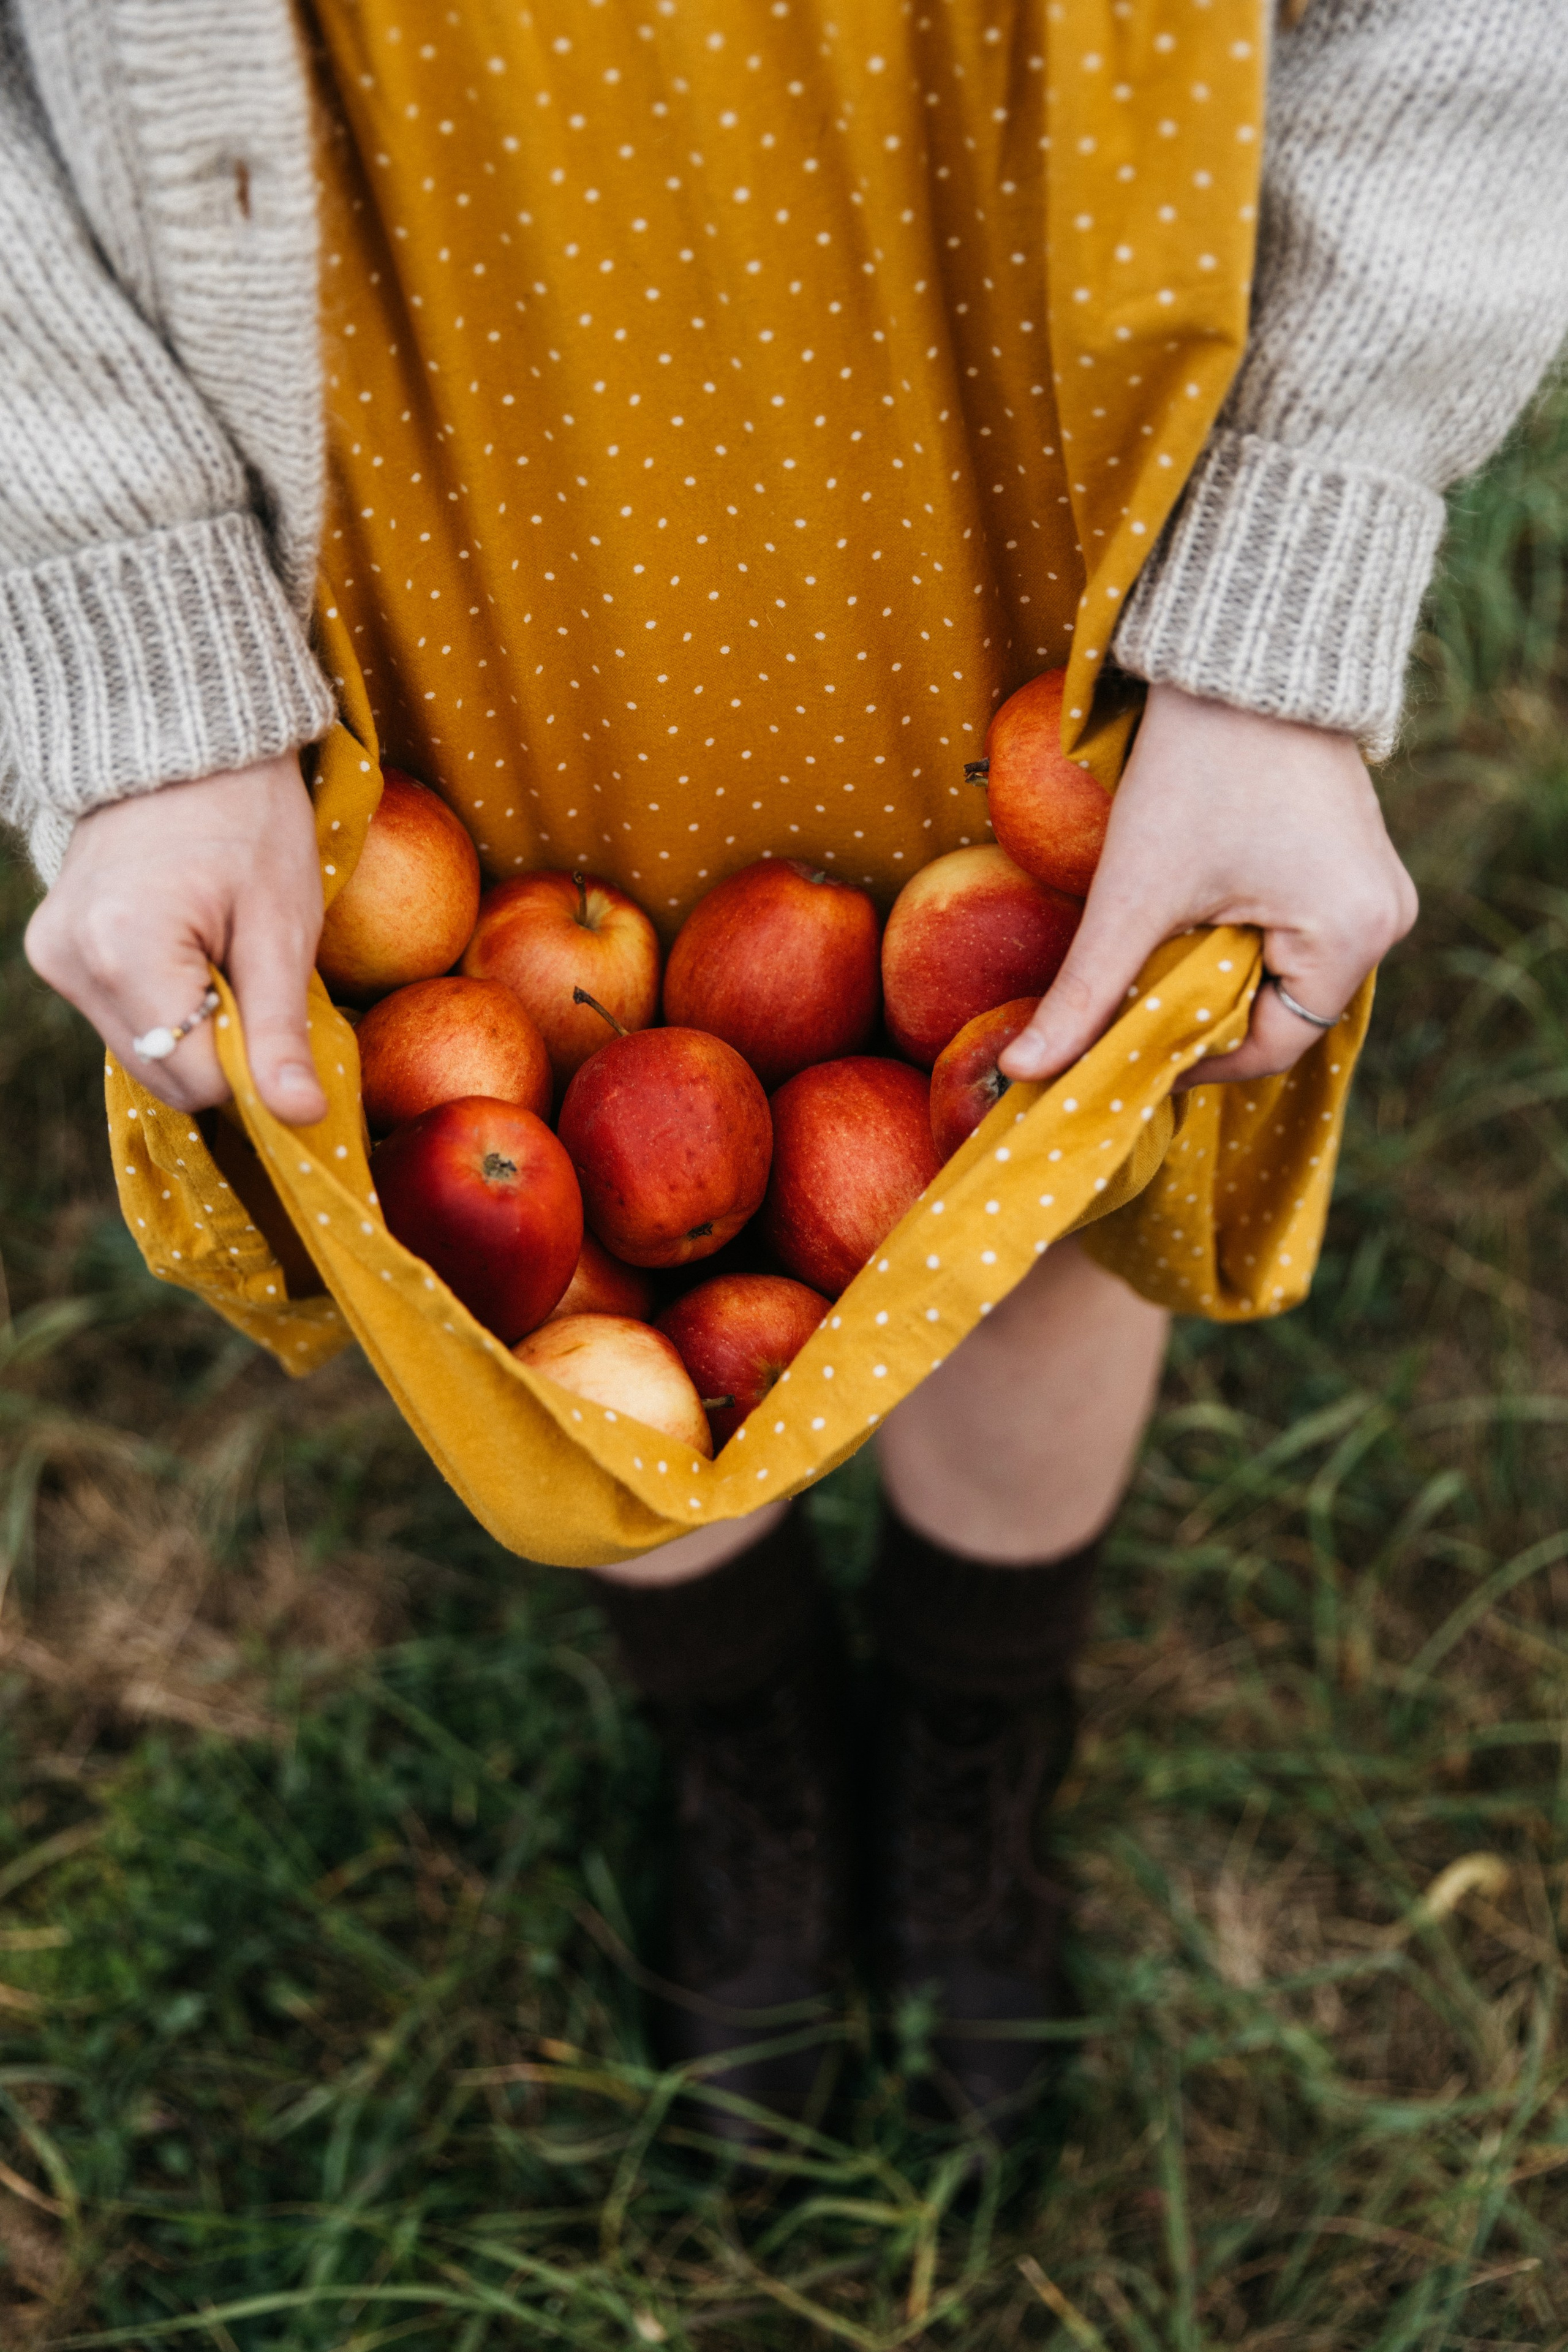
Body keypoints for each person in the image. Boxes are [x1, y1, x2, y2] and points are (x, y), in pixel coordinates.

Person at [6, 0, 1566, 2132]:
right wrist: (121, 591)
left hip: (992, 319)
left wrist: (1312, 513)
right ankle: (740, 1735)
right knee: (548, 1250)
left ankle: (972, 1736)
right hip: (439, 398)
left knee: (1038, 1139)